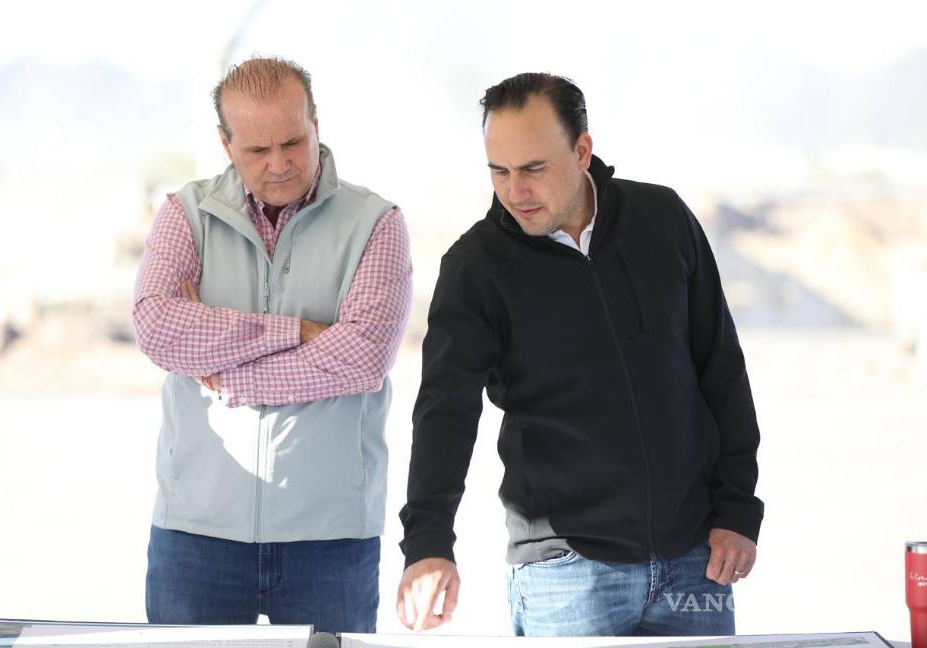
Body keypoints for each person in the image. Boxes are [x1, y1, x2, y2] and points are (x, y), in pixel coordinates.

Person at [396, 73, 763, 637]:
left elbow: (721, 369)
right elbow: (445, 413)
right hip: (565, 574)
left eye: (534, 168)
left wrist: (737, 509)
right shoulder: (476, 268)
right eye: (500, 171)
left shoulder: (662, 218)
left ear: (582, 150)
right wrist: (427, 545)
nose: (516, 191)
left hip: (695, 558)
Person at [133, 57, 412, 633]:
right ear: (225, 143)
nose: (280, 164)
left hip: (331, 537)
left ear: (316, 123)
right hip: (196, 532)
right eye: (258, 150)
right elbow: (158, 328)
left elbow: (363, 358)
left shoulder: (376, 223)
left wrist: (230, 375)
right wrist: (295, 333)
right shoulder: (186, 215)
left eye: (293, 142)